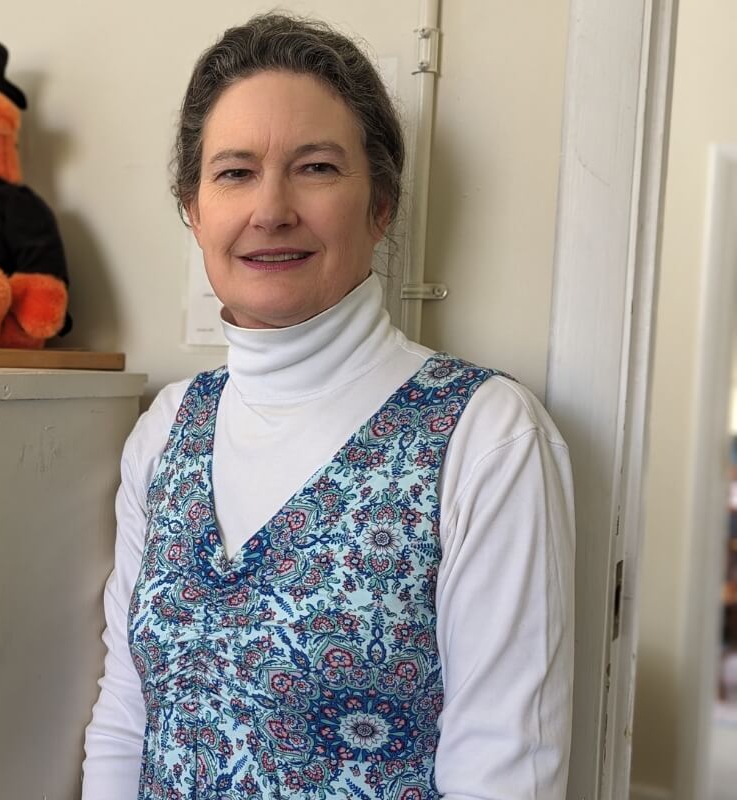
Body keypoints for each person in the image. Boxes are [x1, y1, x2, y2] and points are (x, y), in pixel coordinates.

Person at [81, 12, 574, 800]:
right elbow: (125, 716)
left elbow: (506, 769)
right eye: (235, 172)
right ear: (194, 209)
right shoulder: (168, 429)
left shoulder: (485, 436)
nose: (270, 209)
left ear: (380, 205)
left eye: (314, 167)